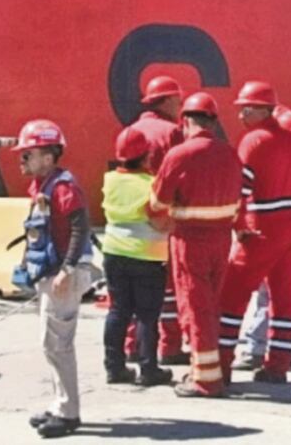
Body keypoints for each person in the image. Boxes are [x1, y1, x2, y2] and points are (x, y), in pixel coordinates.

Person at [217, 81, 291, 384]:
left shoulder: (252, 141)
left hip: (261, 228)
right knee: (284, 299)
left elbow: (240, 190)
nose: (241, 115)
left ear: (264, 110)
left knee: (231, 297)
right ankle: (278, 366)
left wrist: (239, 226)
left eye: (247, 109)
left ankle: (221, 366)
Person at [150, 92, 242, 398]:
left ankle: (206, 379)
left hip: (189, 240)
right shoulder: (230, 154)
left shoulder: (179, 155)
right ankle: (211, 369)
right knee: (211, 305)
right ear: (213, 122)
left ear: (185, 121)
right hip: (222, 239)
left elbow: (158, 203)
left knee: (195, 308)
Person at [13, 119, 93, 439]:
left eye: (27, 154)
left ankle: (68, 413)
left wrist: (67, 269)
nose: (21, 160)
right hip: (52, 273)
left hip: (63, 275)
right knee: (52, 344)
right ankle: (60, 404)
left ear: (48, 157)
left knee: (58, 345)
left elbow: (80, 226)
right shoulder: (43, 185)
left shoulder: (62, 188)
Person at [100, 127, 173, 387]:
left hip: (113, 253)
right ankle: (148, 369)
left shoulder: (110, 180)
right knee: (146, 315)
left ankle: (114, 367)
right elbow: (160, 221)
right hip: (147, 257)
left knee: (118, 311)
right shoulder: (151, 185)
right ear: (146, 156)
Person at [125, 75, 187, 365]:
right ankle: (169, 346)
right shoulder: (173, 132)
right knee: (169, 288)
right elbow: (182, 176)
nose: (180, 105)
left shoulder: (132, 130)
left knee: (134, 289)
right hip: (164, 218)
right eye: (178, 100)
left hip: (132, 221)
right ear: (167, 101)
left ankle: (132, 345)